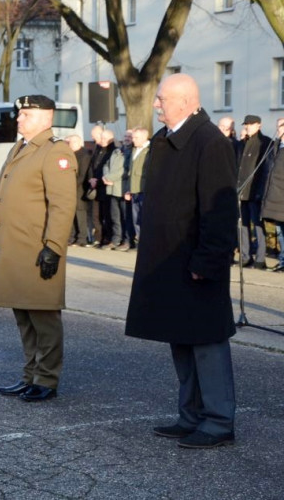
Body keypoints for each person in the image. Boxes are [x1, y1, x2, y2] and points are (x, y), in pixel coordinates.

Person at [125, 73, 238, 449]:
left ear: (187, 101)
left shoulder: (210, 142)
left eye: (162, 99)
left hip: (196, 261)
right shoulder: (165, 139)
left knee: (207, 342)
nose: (156, 104)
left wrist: (207, 261)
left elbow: (220, 210)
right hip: (169, 261)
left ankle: (219, 421)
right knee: (181, 339)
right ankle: (190, 416)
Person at [0, 95, 77, 402]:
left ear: (45, 118)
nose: (19, 119)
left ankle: (47, 379)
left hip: (37, 250)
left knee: (44, 318)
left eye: (26, 114)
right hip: (17, 248)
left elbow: (63, 205)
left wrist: (53, 246)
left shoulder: (56, 152)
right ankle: (30, 375)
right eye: (20, 114)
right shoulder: (21, 147)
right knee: (24, 316)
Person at [237, 114, 272, 269]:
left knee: (257, 225)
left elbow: (265, 169)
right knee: (243, 225)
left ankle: (260, 258)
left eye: (251, 124)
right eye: (246, 124)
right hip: (241, 191)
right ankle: (245, 256)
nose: (247, 127)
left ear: (259, 125)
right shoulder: (242, 143)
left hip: (255, 191)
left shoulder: (265, 143)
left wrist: (260, 191)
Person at [261, 118, 284, 272]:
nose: (278, 129)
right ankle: (282, 260)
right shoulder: (276, 146)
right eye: (277, 126)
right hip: (275, 197)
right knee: (280, 232)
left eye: (281, 126)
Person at [66, 134, 93, 247]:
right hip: (70, 189)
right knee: (72, 214)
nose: (69, 145)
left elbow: (82, 175)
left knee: (80, 214)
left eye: (71, 143)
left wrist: (71, 186)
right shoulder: (70, 154)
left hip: (79, 189)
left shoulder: (84, 155)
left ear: (78, 142)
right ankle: (72, 236)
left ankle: (82, 238)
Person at [125, 128, 150, 242]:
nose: (133, 140)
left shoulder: (150, 150)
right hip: (134, 189)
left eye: (136, 137)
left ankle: (145, 241)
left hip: (144, 189)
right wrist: (128, 189)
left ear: (144, 137)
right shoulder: (134, 150)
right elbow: (130, 171)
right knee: (136, 217)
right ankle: (139, 240)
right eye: (133, 137)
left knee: (144, 217)